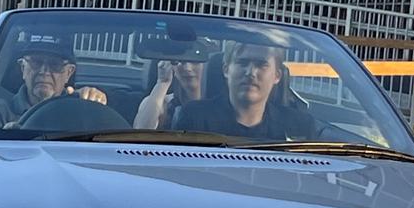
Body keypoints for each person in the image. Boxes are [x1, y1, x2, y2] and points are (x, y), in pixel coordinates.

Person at [174, 41, 318, 140]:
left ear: (277, 76)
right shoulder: (194, 119)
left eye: (261, 64)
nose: (251, 72)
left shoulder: (300, 126)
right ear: (226, 70)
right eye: (242, 62)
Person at [0, 33, 107, 128]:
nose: (44, 71)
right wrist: (5, 136)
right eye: (36, 62)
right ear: (23, 68)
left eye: (55, 64)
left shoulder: (82, 110)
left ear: (69, 73)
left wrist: (95, 104)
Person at [133, 58, 205, 130]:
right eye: (180, 61)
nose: (187, 68)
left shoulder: (215, 107)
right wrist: (162, 83)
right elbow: (140, 133)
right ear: (172, 67)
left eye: (196, 62)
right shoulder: (161, 103)